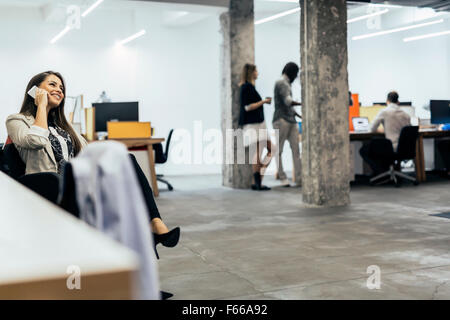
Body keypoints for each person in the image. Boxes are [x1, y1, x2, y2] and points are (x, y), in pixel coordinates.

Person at [5, 71, 179, 252]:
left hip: (77, 181)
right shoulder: (17, 120)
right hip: (48, 184)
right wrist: (41, 106)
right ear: (35, 90)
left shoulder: (65, 126)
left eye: (61, 87)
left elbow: (86, 153)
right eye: (52, 85)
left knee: (126, 159)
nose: (59, 90)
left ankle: (154, 222)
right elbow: (36, 140)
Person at [239, 63, 274, 191]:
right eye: (256, 71)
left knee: (271, 150)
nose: (258, 73)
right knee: (258, 153)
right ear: (251, 72)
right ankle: (258, 182)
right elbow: (247, 107)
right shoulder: (246, 87)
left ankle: (258, 181)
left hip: (259, 123)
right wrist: (263, 101)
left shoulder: (250, 87)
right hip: (254, 125)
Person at [359, 91, 411, 176]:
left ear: (387, 101)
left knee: (364, 150)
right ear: (398, 102)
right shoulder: (406, 114)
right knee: (380, 145)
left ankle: (381, 172)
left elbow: (371, 129)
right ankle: (386, 171)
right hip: (404, 148)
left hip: (391, 147)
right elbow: (407, 130)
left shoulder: (385, 112)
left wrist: (382, 130)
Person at [272, 62, 302, 187]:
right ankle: (282, 176)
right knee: (279, 150)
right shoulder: (281, 83)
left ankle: (299, 178)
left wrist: (298, 114)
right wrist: (301, 103)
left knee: (296, 150)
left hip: (290, 120)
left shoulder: (286, 83)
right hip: (281, 120)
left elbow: (288, 105)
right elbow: (287, 101)